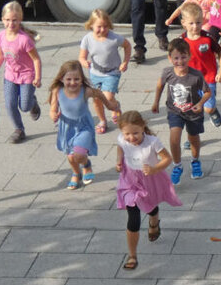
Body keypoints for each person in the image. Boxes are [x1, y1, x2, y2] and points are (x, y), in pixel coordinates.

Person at [115, 110, 181, 270]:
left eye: (135, 133)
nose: (131, 138)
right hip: (129, 180)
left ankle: (154, 221)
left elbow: (167, 159)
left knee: (150, 206)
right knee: (133, 213)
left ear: (143, 127)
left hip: (150, 179)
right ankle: (132, 256)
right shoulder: (122, 139)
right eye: (127, 134)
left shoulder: (152, 142)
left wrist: (154, 169)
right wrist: (118, 161)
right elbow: (120, 147)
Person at [48, 60, 120, 191]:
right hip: (66, 128)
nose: (72, 82)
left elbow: (98, 94)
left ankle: (86, 164)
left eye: (77, 79)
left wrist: (110, 106)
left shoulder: (85, 91)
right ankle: (76, 173)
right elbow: (53, 107)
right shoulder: (57, 90)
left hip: (84, 127)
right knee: (71, 157)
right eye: (69, 79)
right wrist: (53, 114)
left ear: (82, 79)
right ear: (61, 78)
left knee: (79, 154)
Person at [151, 37, 211, 185]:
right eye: (176, 58)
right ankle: (177, 165)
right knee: (174, 139)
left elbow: (208, 92)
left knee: (193, 138)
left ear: (189, 56)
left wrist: (201, 103)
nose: (180, 61)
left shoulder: (196, 75)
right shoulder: (167, 73)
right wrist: (156, 102)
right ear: (170, 58)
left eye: (183, 57)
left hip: (193, 113)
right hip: (175, 111)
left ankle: (195, 161)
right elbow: (160, 86)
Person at [0, 1, 41, 144]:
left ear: (20, 19)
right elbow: (1, 55)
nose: (11, 23)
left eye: (15, 20)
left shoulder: (24, 40)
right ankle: (19, 130)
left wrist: (38, 77)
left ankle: (32, 103)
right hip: (10, 76)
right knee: (10, 104)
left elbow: (36, 59)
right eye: (8, 20)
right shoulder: (0, 37)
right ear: (2, 20)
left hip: (27, 76)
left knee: (24, 106)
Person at [79, 9, 131, 123]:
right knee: (96, 100)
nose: (103, 30)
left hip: (112, 73)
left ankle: (115, 106)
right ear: (91, 25)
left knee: (107, 97)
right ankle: (102, 121)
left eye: (106, 26)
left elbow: (127, 46)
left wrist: (125, 62)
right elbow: (81, 57)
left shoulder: (114, 38)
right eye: (99, 27)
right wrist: (84, 62)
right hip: (95, 73)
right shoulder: (87, 39)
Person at [180, 2, 221, 128]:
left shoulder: (208, 38)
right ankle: (192, 135)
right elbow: (173, 58)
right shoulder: (181, 41)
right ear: (184, 23)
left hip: (208, 79)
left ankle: (213, 111)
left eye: (198, 22)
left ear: (203, 20)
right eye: (191, 23)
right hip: (190, 81)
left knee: (208, 109)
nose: (195, 26)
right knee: (192, 111)